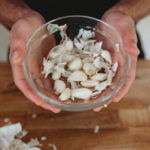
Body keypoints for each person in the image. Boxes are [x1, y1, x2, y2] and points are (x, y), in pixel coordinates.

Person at [0, 0, 149, 113]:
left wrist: (125, 11)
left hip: (116, 43)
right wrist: (20, 16)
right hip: (30, 45)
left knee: (120, 107)